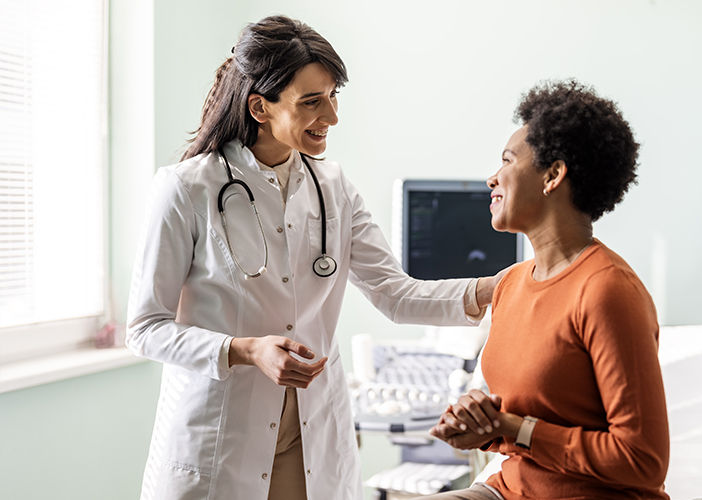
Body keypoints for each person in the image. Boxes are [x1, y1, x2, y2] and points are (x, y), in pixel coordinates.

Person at [126, 16, 502, 500]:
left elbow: (395, 293)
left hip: (312, 435)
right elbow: (145, 328)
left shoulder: (334, 187)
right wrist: (246, 350)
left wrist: (504, 286)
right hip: (222, 439)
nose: (332, 115)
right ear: (260, 107)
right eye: (312, 101)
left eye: (332, 96)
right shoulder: (186, 188)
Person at [427, 80, 670, 499]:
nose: (492, 178)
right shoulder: (511, 284)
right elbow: (521, 416)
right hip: (513, 489)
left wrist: (513, 430)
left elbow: (642, 460)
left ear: (553, 175)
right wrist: (480, 425)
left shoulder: (607, 291)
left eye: (507, 160)